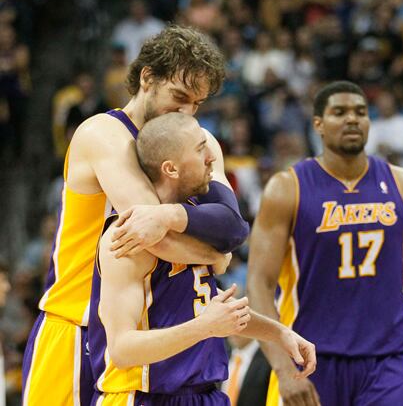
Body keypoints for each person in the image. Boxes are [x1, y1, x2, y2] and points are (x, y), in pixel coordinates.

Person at [22, 26, 249, 406]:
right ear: (147, 77)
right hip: (76, 329)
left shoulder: (199, 141)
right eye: (179, 97)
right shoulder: (104, 134)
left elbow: (231, 226)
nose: (186, 112)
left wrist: (190, 228)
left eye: (197, 104)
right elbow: (156, 237)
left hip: (148, 337)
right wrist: (215, 255)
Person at [246, 81, 403, 406]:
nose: (352, 119)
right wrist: (284, 369)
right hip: (312, 359)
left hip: (390, 359)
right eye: (339, 112)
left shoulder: (402, 183)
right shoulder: (287, 188)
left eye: (360, 112)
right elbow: (258, 283)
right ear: (318, 124)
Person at [88, 113, 315, 405]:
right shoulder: (126, 239)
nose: (212, 157)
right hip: (143, 397)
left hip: (205, 395)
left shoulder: (192, 224)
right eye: (199, 149)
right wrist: (204, 327)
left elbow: (202, 302)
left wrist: (280, 333)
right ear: (171, 168)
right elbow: (122, 348)